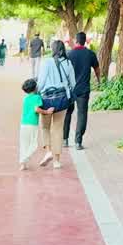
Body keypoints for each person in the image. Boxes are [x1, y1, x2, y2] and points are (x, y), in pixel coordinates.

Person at [37, 40, 75, 170]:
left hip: (46, 100)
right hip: (62, 99)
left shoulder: (46, 62)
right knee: (58, 129)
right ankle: (57, 161)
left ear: (52, 49)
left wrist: (35, 94)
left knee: (45, 127)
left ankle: (48, 151)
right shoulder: (68, 63)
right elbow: (73, 83)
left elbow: (41, 82)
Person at [64, 31, 100, 151]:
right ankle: (78, 142)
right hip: (83, 89)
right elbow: (97, 68)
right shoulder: (90, 54)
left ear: (76, 40)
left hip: (69, 89)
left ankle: (65, 139)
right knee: (82, 114)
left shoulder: (69, 54)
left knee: (68, 113)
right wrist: (98, 80)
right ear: (85, 41)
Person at [19, 78, 53, 170]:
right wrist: (47, 111)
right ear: (35, 88)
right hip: (32, 124)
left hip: (23, 124)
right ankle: (24, 159)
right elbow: (36, 109)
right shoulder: (37, 98)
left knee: (24, 144)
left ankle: (22, 163)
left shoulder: (26, 98)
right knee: (34, 144)